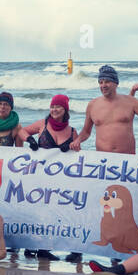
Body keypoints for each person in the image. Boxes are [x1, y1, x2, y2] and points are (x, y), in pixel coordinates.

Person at [20, 94, 82, 261]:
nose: (54, 110)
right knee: (40, 212)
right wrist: (30, 140)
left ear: (65, 110)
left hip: (62, 180)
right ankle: (39, 247)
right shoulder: (43, 124)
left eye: (58, 107)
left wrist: (72, 146)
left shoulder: (73, 132)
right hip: (40, 178)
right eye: (52, 106)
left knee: (65, 212)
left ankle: (76, 249)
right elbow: (21, 131)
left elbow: (79, 157)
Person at [70, 65, 138, 159]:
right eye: (100, 82)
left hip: (127, 159)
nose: (103, 85)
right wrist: (78, 140)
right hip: (103, 160)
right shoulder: (92, 105)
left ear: (116, 83)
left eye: (107, 82)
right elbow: (86, 132)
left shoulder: (131, 102)